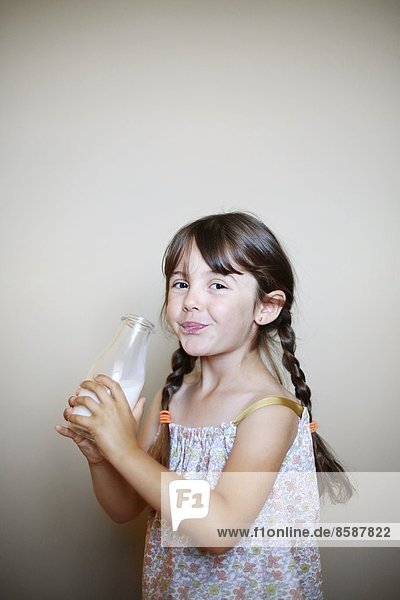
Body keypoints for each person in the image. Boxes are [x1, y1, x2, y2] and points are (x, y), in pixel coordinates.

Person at [56, 211, 353, 599]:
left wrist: (123, 449)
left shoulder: (269, 410)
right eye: (181, 283)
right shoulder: (171, 398)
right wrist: (101, 457)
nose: (191, 301)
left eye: (217, 285)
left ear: (266, 307)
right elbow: (124, 507)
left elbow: (218, 530)